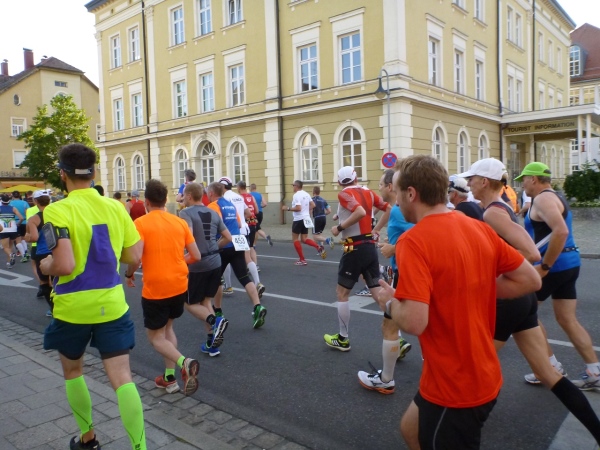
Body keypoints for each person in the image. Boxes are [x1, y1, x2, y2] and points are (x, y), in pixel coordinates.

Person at [372, 154, 540, 450]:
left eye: (397, 193)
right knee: (411, 429)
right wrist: (472, 286)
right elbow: (530, 279)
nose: (395, 201)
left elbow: (414, 321)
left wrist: (388, 302)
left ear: (411, 193)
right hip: (473, 373)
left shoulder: (413, 241)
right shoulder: (476, 226)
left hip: (456, 385)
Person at [459, 157, 600, 444]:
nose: (468, 183)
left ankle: (456, 432)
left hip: (508, 302)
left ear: (484, 182)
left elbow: (530, 252)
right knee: (548, 374)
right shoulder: (499, 208)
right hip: (522, 301)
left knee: (470, 369)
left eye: (472, 179)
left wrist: (494, 273)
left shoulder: (492, 213)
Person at [40, 143, 146, 450]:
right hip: (111, 304)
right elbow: (134, 256)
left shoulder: (57, 210)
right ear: (94, 172)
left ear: (62, 174)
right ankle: (140, 446)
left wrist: (46, 265)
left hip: (73, 307)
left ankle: (88, 439)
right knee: (123, 378)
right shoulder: (116, 207)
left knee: (74, 372)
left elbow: (64, 265)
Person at [515, 162, 600, 390]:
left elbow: (560, 231)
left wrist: (545, 266)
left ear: (533, 179)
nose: (522, 185)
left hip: (554, 265)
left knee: (526, 314)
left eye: (524, 179)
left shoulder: (542, 199)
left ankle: (551, 367)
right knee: (567, 319)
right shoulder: (556, 196)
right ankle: (595, 371)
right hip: (570, 262)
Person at [124, 179, 201, 397]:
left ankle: (184, 363)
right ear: (166, 200)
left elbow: (136, 257)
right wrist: (177, 262)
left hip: (156, 288)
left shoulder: (140, 223)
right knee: (168, 329)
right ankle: (169, 378)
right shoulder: (179, 222)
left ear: (146, 201)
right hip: (179, 284)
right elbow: (196, 255)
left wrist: (129, 274)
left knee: (155, 337)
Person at [323, 166, 391, 351]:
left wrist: (339, 227)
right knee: (378, 293)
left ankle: (343, 338)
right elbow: (388, 208)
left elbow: (359, 212)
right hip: (369, 246)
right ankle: (398, 337)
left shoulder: (344, 194)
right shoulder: (368, 191)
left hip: (353, 247)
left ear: (339, 182)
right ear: (356, 177)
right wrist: (376, 229)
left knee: (342, 293)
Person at [357, 169, 412, 395]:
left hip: (406, 271)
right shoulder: (397, 208)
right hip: (404, 270)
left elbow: (422, 236)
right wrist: (380, 233)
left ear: (390, 187)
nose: (378, 187)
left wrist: (394, 248)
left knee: (390, 324)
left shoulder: (399, 210)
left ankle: (386, 379)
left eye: (381, 184)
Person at [180, 182, 232, 357]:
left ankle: (215, 321)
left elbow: (187, 235)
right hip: (215, 261)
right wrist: (215, 247)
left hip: (198, 263)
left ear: (189, 196)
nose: (182, 198)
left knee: (190, 303)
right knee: (206, 302)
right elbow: (228, 237)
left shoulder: (186, 213)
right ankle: (212, 344)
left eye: (183, 195)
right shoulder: (213, 212)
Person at [207, 182, 267, 329]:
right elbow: (239, 224)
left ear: (211, 193)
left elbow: (216, 225)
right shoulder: (230, 205)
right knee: (244, 277)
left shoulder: (214, 206)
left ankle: (218, 311)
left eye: (208, 192)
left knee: (216, 279)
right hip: (238, 242)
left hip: (224, 244)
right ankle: (257, 306)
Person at [221, 177, 265, 296]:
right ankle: (258, 283)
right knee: (247, 257)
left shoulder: (225, 198)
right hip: (244, 230)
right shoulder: (238, 197)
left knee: (226, 258)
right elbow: (249, 213)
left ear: (222, 186)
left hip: (232, 231)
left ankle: (228, 286)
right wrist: (241, 220)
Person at [24, 190, 54, 316]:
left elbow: (34, 237)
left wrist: (27, 238)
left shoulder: (34, 219)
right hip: (57, 250)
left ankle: (53, 309)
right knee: (57, 281)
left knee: (44, 282)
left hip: (42, 251)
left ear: (36, 201)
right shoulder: (57, 214)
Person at [282, 180, 324, 265]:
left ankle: (302, 260)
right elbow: (313, 205)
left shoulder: (296, 195)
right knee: (304, 239)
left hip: (298, 219)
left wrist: (288, 208)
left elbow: (298, 208)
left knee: (295, 239)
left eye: (293, 185)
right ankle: (318, 246)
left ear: (296, 186)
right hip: (306, 218)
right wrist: (306, 210)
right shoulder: (306, 194)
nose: (292, 187)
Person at [0, 194, 23, 268]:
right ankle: (9, 263)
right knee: (10, 247)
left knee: (5, 247)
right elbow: (21, 218)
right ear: (9, 201)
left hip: (3, 230)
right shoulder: (13, 208)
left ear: (1, 201)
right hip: (13, 229)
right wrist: (18, 224)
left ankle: (11, 255)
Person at [10, 190, 30, 261]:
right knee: (23, 238)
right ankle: (26, 251)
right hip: (24, 221)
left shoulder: (10, 203)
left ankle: (23, 255)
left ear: (12, 196)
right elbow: (28, 212)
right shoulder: (24, 203)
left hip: (15, 222)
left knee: (17, 240)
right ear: (19, 195)